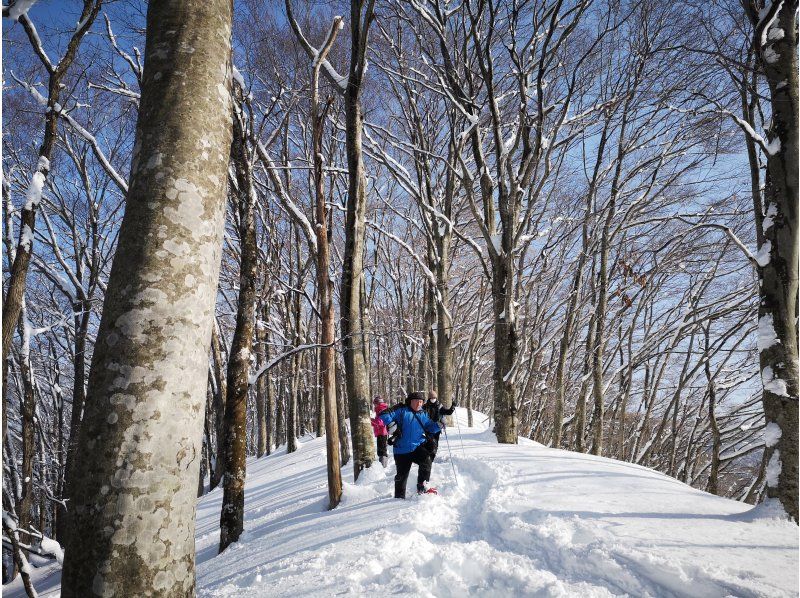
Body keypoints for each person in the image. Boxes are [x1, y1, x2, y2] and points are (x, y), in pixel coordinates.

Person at [379, 391, 441, 498]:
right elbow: (383, 414)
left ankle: (423, 488)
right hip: (401, 449)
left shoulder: (423, 413)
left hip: (417, 447)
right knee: (402, 476)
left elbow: (429, 426)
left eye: (421, 402)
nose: (419, 404)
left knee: (426, 460)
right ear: (410, 401)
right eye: (416, 401)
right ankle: (399, 498)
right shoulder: (401, 410)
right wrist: (392, 424)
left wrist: (438, 425)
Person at [422, 390, 456, 462]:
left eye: (434, 397)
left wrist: (453, 405)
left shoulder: (439, 406)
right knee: (427, 444)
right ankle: (426, 457)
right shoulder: (425, 407)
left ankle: (431, 459)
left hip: (437, 428)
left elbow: (449, 412)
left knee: (434, 444)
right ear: (429, 398)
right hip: (427, 429)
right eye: (431, 398)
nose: (433, 399)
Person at [371, 396, 390, 467]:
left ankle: (383, 466)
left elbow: (380, 422)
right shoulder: (379, 409)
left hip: (383, 432)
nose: (374, 405)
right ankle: (382, 465)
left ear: (378, 403)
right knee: (381, 450)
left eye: (375, 403)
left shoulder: (382, 409)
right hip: (381, 432)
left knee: (382, 450)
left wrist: (370, 420)